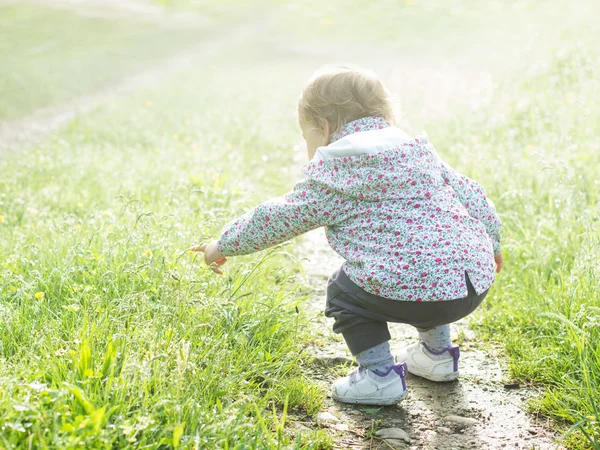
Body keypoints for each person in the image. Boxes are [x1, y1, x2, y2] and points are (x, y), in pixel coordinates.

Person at [192, 66, 502, 406]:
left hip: (417, 289)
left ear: (323, 129)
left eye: (306, 138)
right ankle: (438, 356)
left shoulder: (336, 170)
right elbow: (471, 192)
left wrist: (222, 244)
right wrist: (494, 243)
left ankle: (379, 377)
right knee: (427, 267)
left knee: (343, 290)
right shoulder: (416, 151)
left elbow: (275, 217)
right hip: (473, 282)